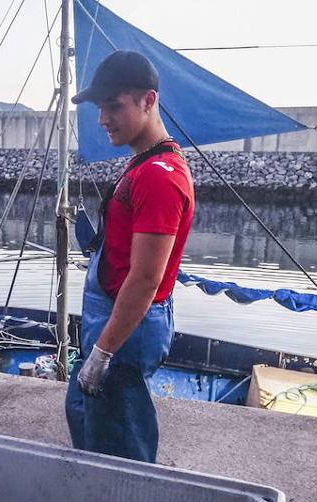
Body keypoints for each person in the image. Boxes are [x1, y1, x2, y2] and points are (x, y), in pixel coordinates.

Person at [64, 50, 195, 463]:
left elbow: (145, 279)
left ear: (148, 101)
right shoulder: (144, 165)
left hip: (127, 328)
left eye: (114, 105)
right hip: (116, 318)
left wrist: (103, 352)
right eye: (101, 107)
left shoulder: (159, 177)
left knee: (119, 453)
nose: (103, 118)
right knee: (91, 423)